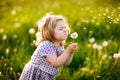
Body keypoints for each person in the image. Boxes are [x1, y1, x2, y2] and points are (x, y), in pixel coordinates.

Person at [19, 13, 78, 80]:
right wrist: (67, 51)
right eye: (61, 29)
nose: (65, 30)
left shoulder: (60, 44)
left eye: (65, 28)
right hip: (36, 74)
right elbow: (55, 63)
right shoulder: (46, 45)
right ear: (50, 32)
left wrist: (71, 52)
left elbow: (66, 63)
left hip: (47, 75)